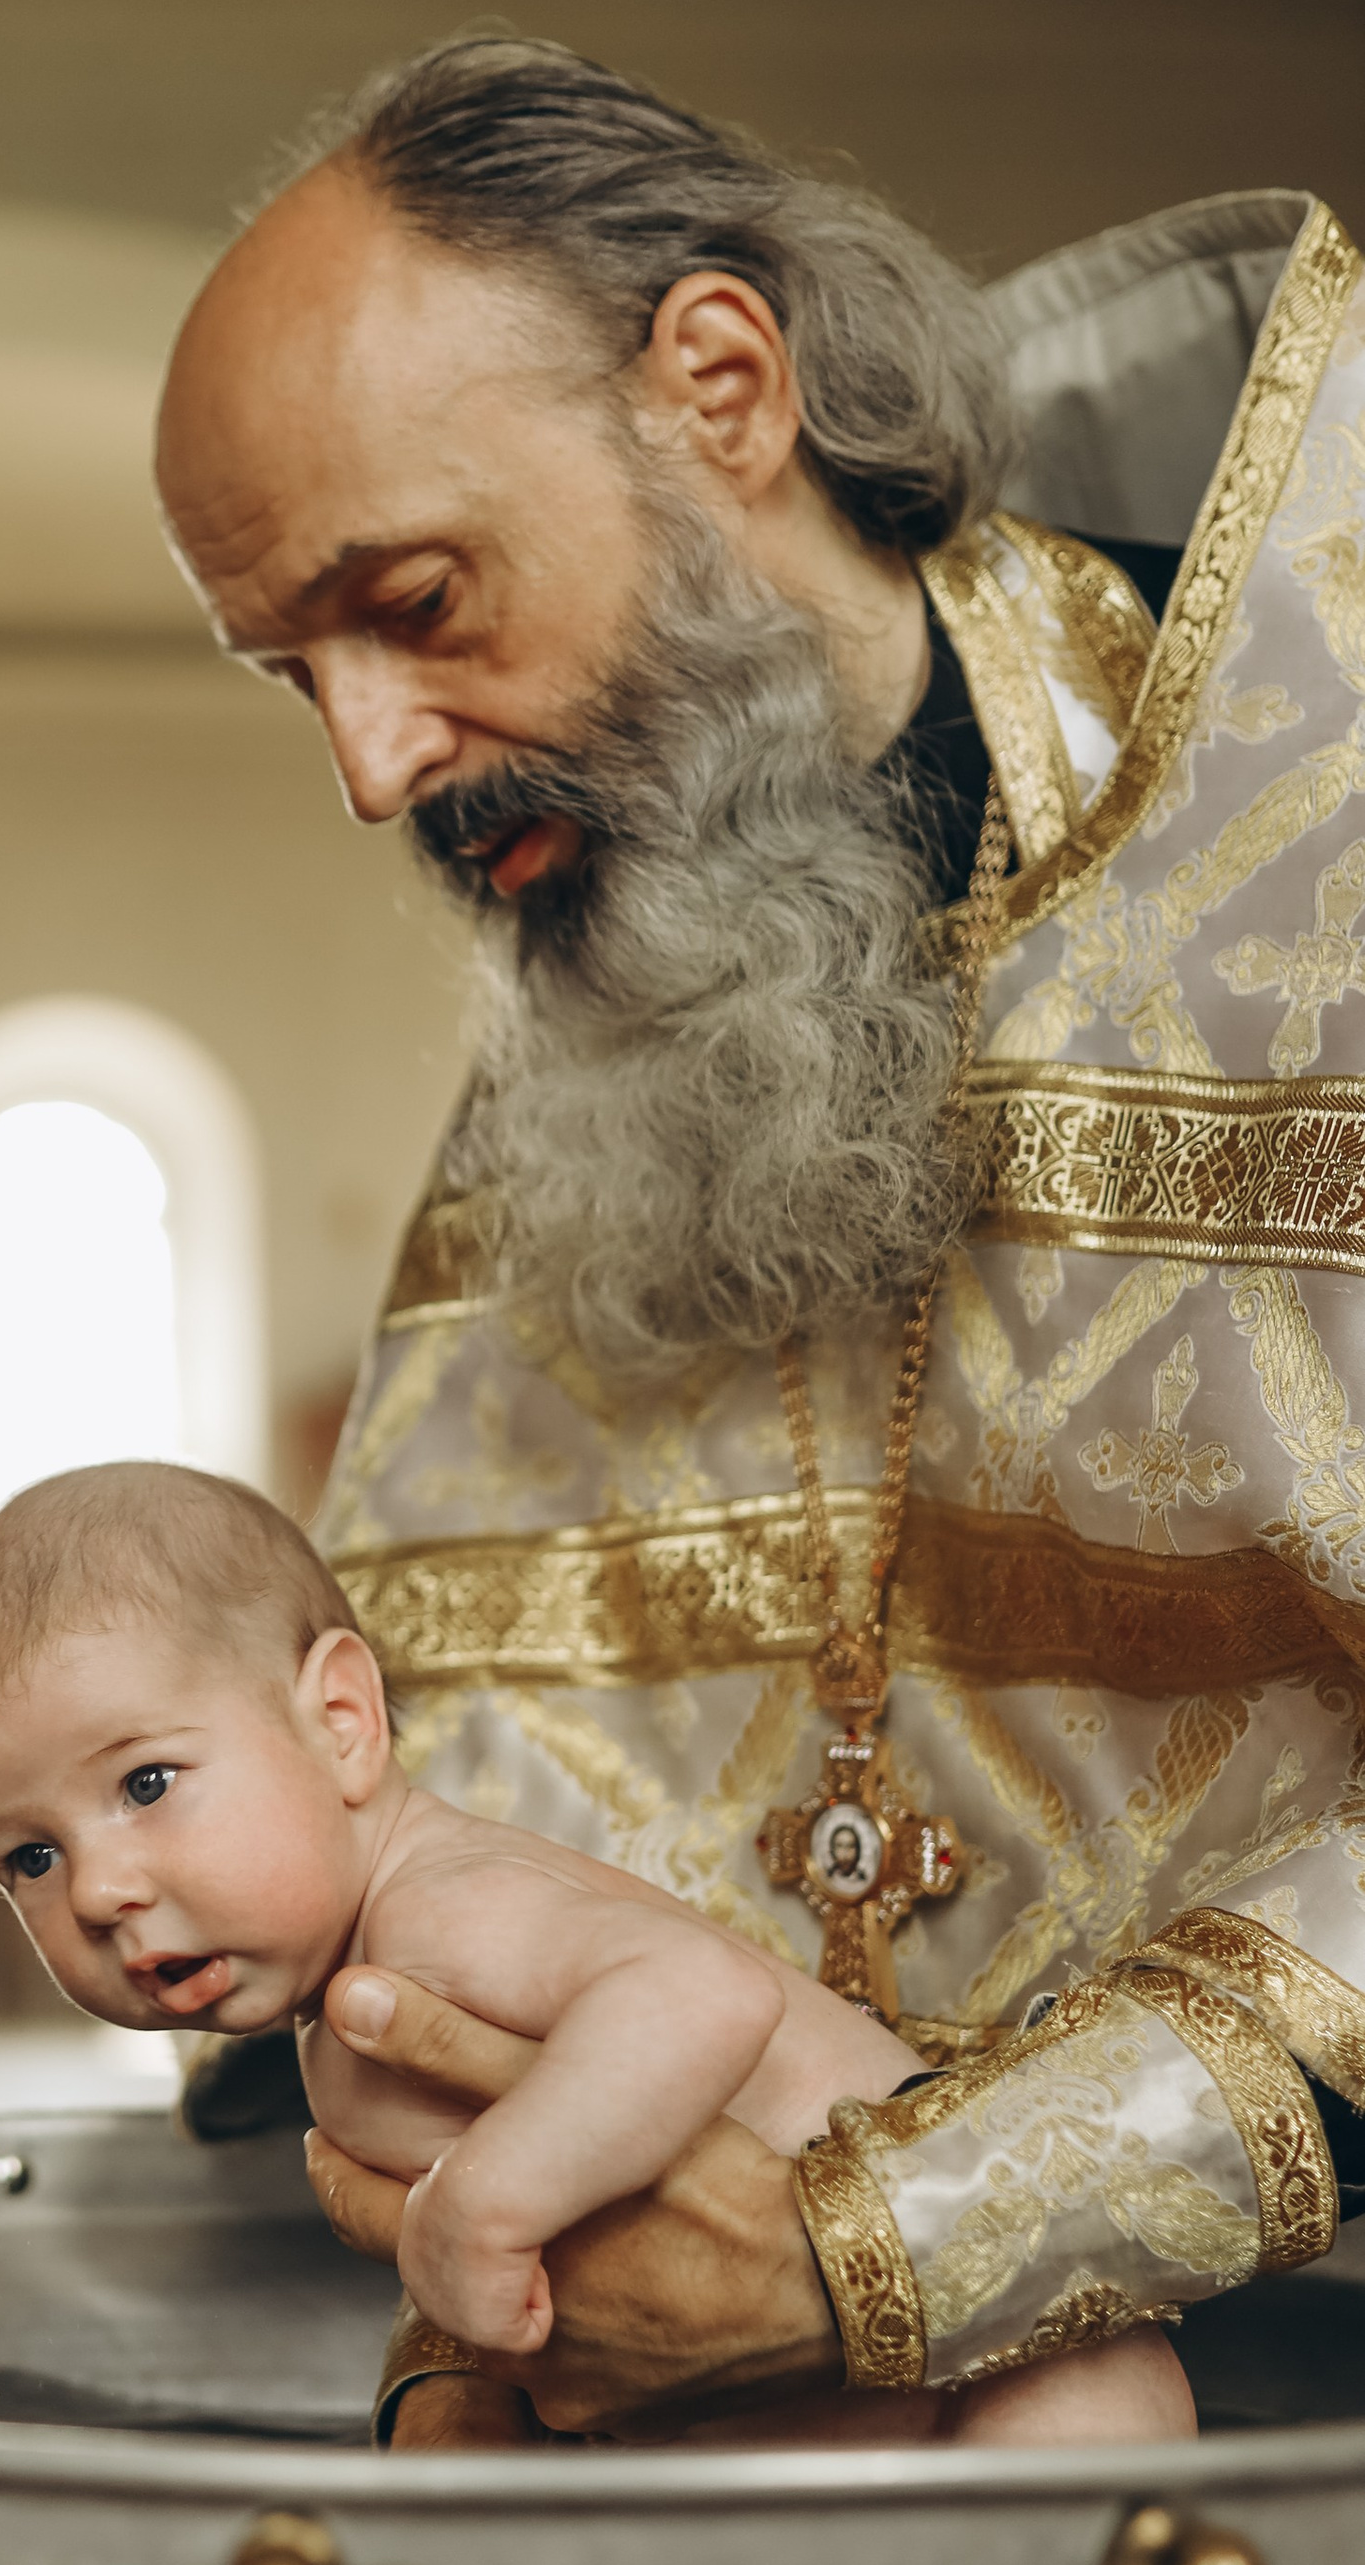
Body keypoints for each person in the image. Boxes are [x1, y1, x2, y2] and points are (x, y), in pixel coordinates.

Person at [153, 36, 1365, 2444]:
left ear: (717, 390)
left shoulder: (1315, 836)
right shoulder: (611, 979)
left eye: (410, 603)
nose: (368, 764)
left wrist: (901, 2231)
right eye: (298, 669)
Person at [0, 1460, 1193, 2446]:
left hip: (1009, 2384)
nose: (100, 1888)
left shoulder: (447, 1905)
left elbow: (703, 1995)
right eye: (25, 1857)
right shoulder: (344, 1985)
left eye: (146, 1781)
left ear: (345, 1722)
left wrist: (482, 2208)